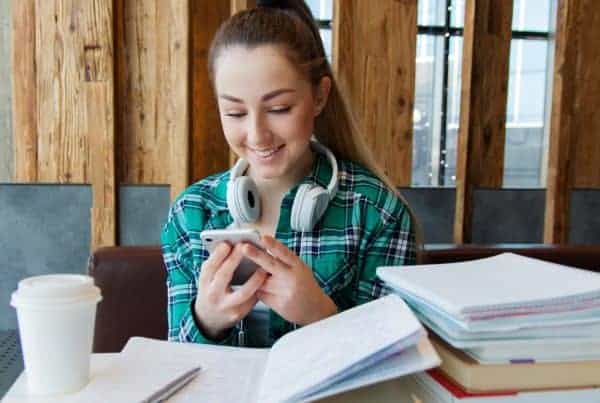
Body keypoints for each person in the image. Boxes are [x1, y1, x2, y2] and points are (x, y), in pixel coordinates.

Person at [161, 0, 420, 348]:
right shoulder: (189, 213)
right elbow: (175, 360)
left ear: (319, 96)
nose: (257, 135)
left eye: (279, 108)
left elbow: (394, 363)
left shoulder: (377, 212)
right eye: (235, 113)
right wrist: (205, 320)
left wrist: (321, 315)